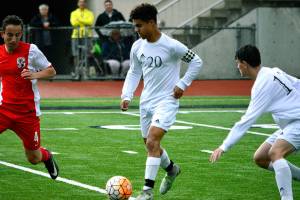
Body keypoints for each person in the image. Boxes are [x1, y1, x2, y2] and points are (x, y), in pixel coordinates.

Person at [120, 4, 203, 200]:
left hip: (167, 101)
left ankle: (147, 192)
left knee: (152, 141)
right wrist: (127, 95)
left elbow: (196, 61)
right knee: (150, 145)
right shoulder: (137, 46)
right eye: (135, 26)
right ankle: (172, 169)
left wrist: (182, 84)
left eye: (139, 25)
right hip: (146, 101)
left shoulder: (172, 45)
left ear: (151, 23)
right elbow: (134, 72)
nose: (137, 30)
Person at [210, 45, 300, 200]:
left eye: (238, 63)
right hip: (291, 123)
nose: (237, 66)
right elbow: (297, 83)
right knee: (261, 157)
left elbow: (246, 121)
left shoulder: (261, 85)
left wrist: (224, 146)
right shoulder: (273, 71)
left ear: (244, 64)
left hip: (297, 121)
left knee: (275, 153)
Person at [0, 15, 59, 179]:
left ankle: (47, 156)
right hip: (3, 109)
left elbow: (51, 71)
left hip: (27, 113)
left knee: (33, 158)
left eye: (17, 35)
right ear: (2, 34)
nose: (13, 39)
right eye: (10, 35)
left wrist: (35, 74)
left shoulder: (31, 50)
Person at [29, 4, 60, 69]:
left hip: (50, 41)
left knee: (50, 57)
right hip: (40, 41)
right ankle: (39, 72)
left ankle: (49, 72)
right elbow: (32, 23)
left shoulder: (51, 16)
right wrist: (42, 25)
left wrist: (50, 24)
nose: (44, 11)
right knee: (39, 57)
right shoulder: (37, 17)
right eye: (42, 10)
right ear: (39, 10)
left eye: (45, 9)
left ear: (47, 10)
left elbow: (57, 23)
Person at [70, 0, 94, 79]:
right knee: (76, 54)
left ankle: (86, 73)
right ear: (77, 4)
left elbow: (90, 22)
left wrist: (79, 20)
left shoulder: (90, 13)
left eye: (83, 2)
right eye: (80, 2)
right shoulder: (73, 13)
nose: (82, 3)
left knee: (87, 54)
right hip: (76, 35)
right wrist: (84, 22)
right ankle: (76, 72)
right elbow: (74, 23)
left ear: (85, 4)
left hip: (87, 35)